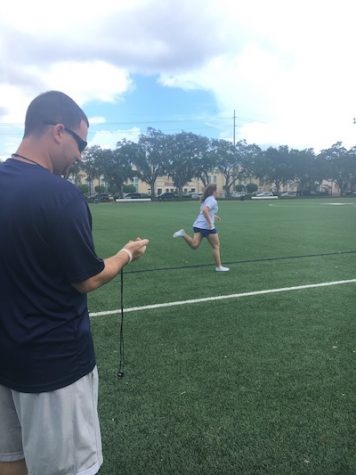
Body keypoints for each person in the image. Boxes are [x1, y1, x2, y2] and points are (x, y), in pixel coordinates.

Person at [0, 91, 149, 475]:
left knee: (11, 459)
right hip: (55, 369)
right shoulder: (60, 195)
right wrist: (126, 254)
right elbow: (88, 277)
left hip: (6, 360)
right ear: (58, 131)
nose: (81, 155)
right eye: (80, 143)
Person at [173, 184, 229, 272]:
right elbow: (205, 211)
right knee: (216, 246)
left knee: (194, 246)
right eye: (217, 190)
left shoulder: (206, 199)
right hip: (207, 227)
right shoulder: (212, 200)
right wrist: (210, 223)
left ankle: (183, 234)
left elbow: (206, 211)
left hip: (198, 225)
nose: (218, 192)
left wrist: (214, 216)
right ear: (213, 191)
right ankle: (219, 267)